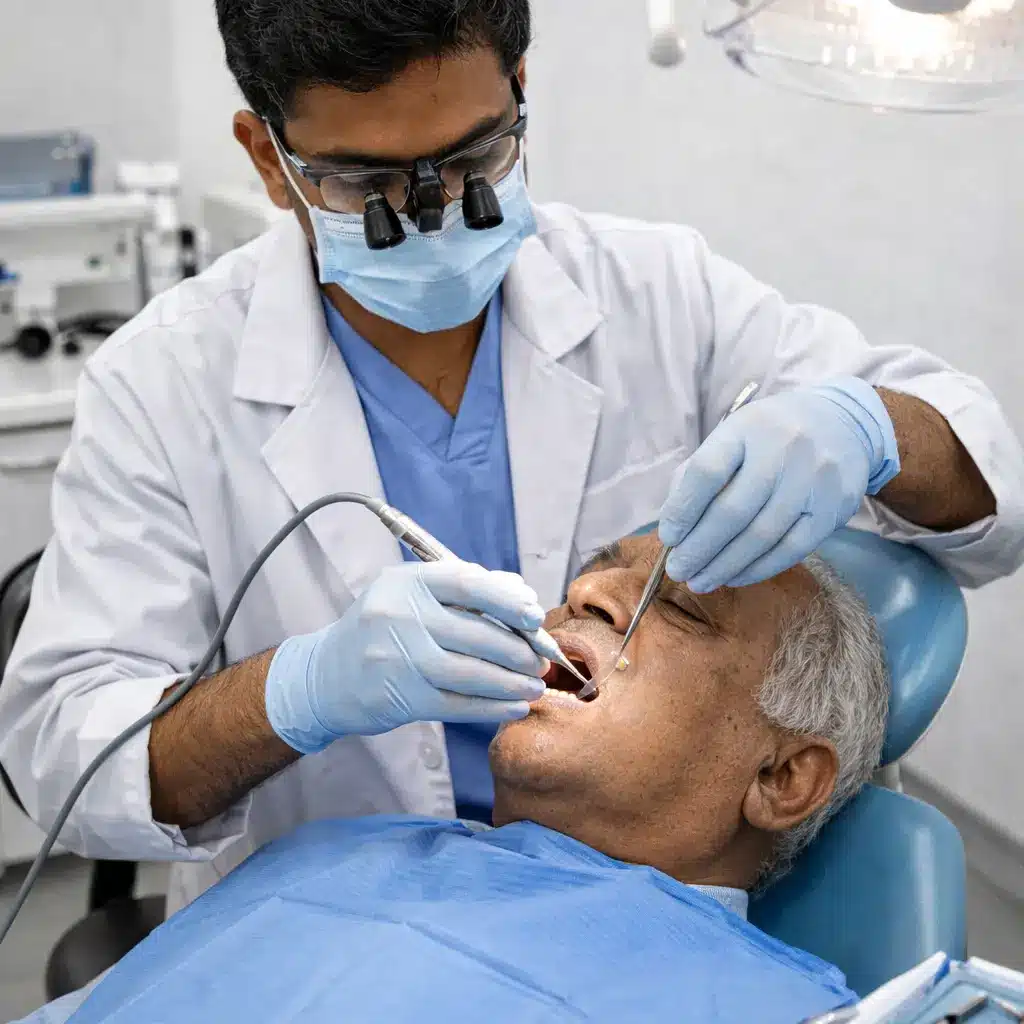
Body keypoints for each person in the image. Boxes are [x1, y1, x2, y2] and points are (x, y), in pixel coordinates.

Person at [0, 0, 1020, 923]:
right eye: (368, 185)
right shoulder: (162, 381)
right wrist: (295, 691)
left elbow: (988, 491)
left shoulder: (657, 292)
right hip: (318, 923)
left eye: (474, 158)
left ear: (521, 91)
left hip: (616, 921)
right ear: (269, 162)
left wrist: (869, 426)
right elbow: (61, 759)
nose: (437, 211)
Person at [13, 535, 887, 1024]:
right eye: (599, 566)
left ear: (782, 777)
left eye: (685, 607)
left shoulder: (787, 1010)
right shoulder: (332, 849)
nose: (584, 589)